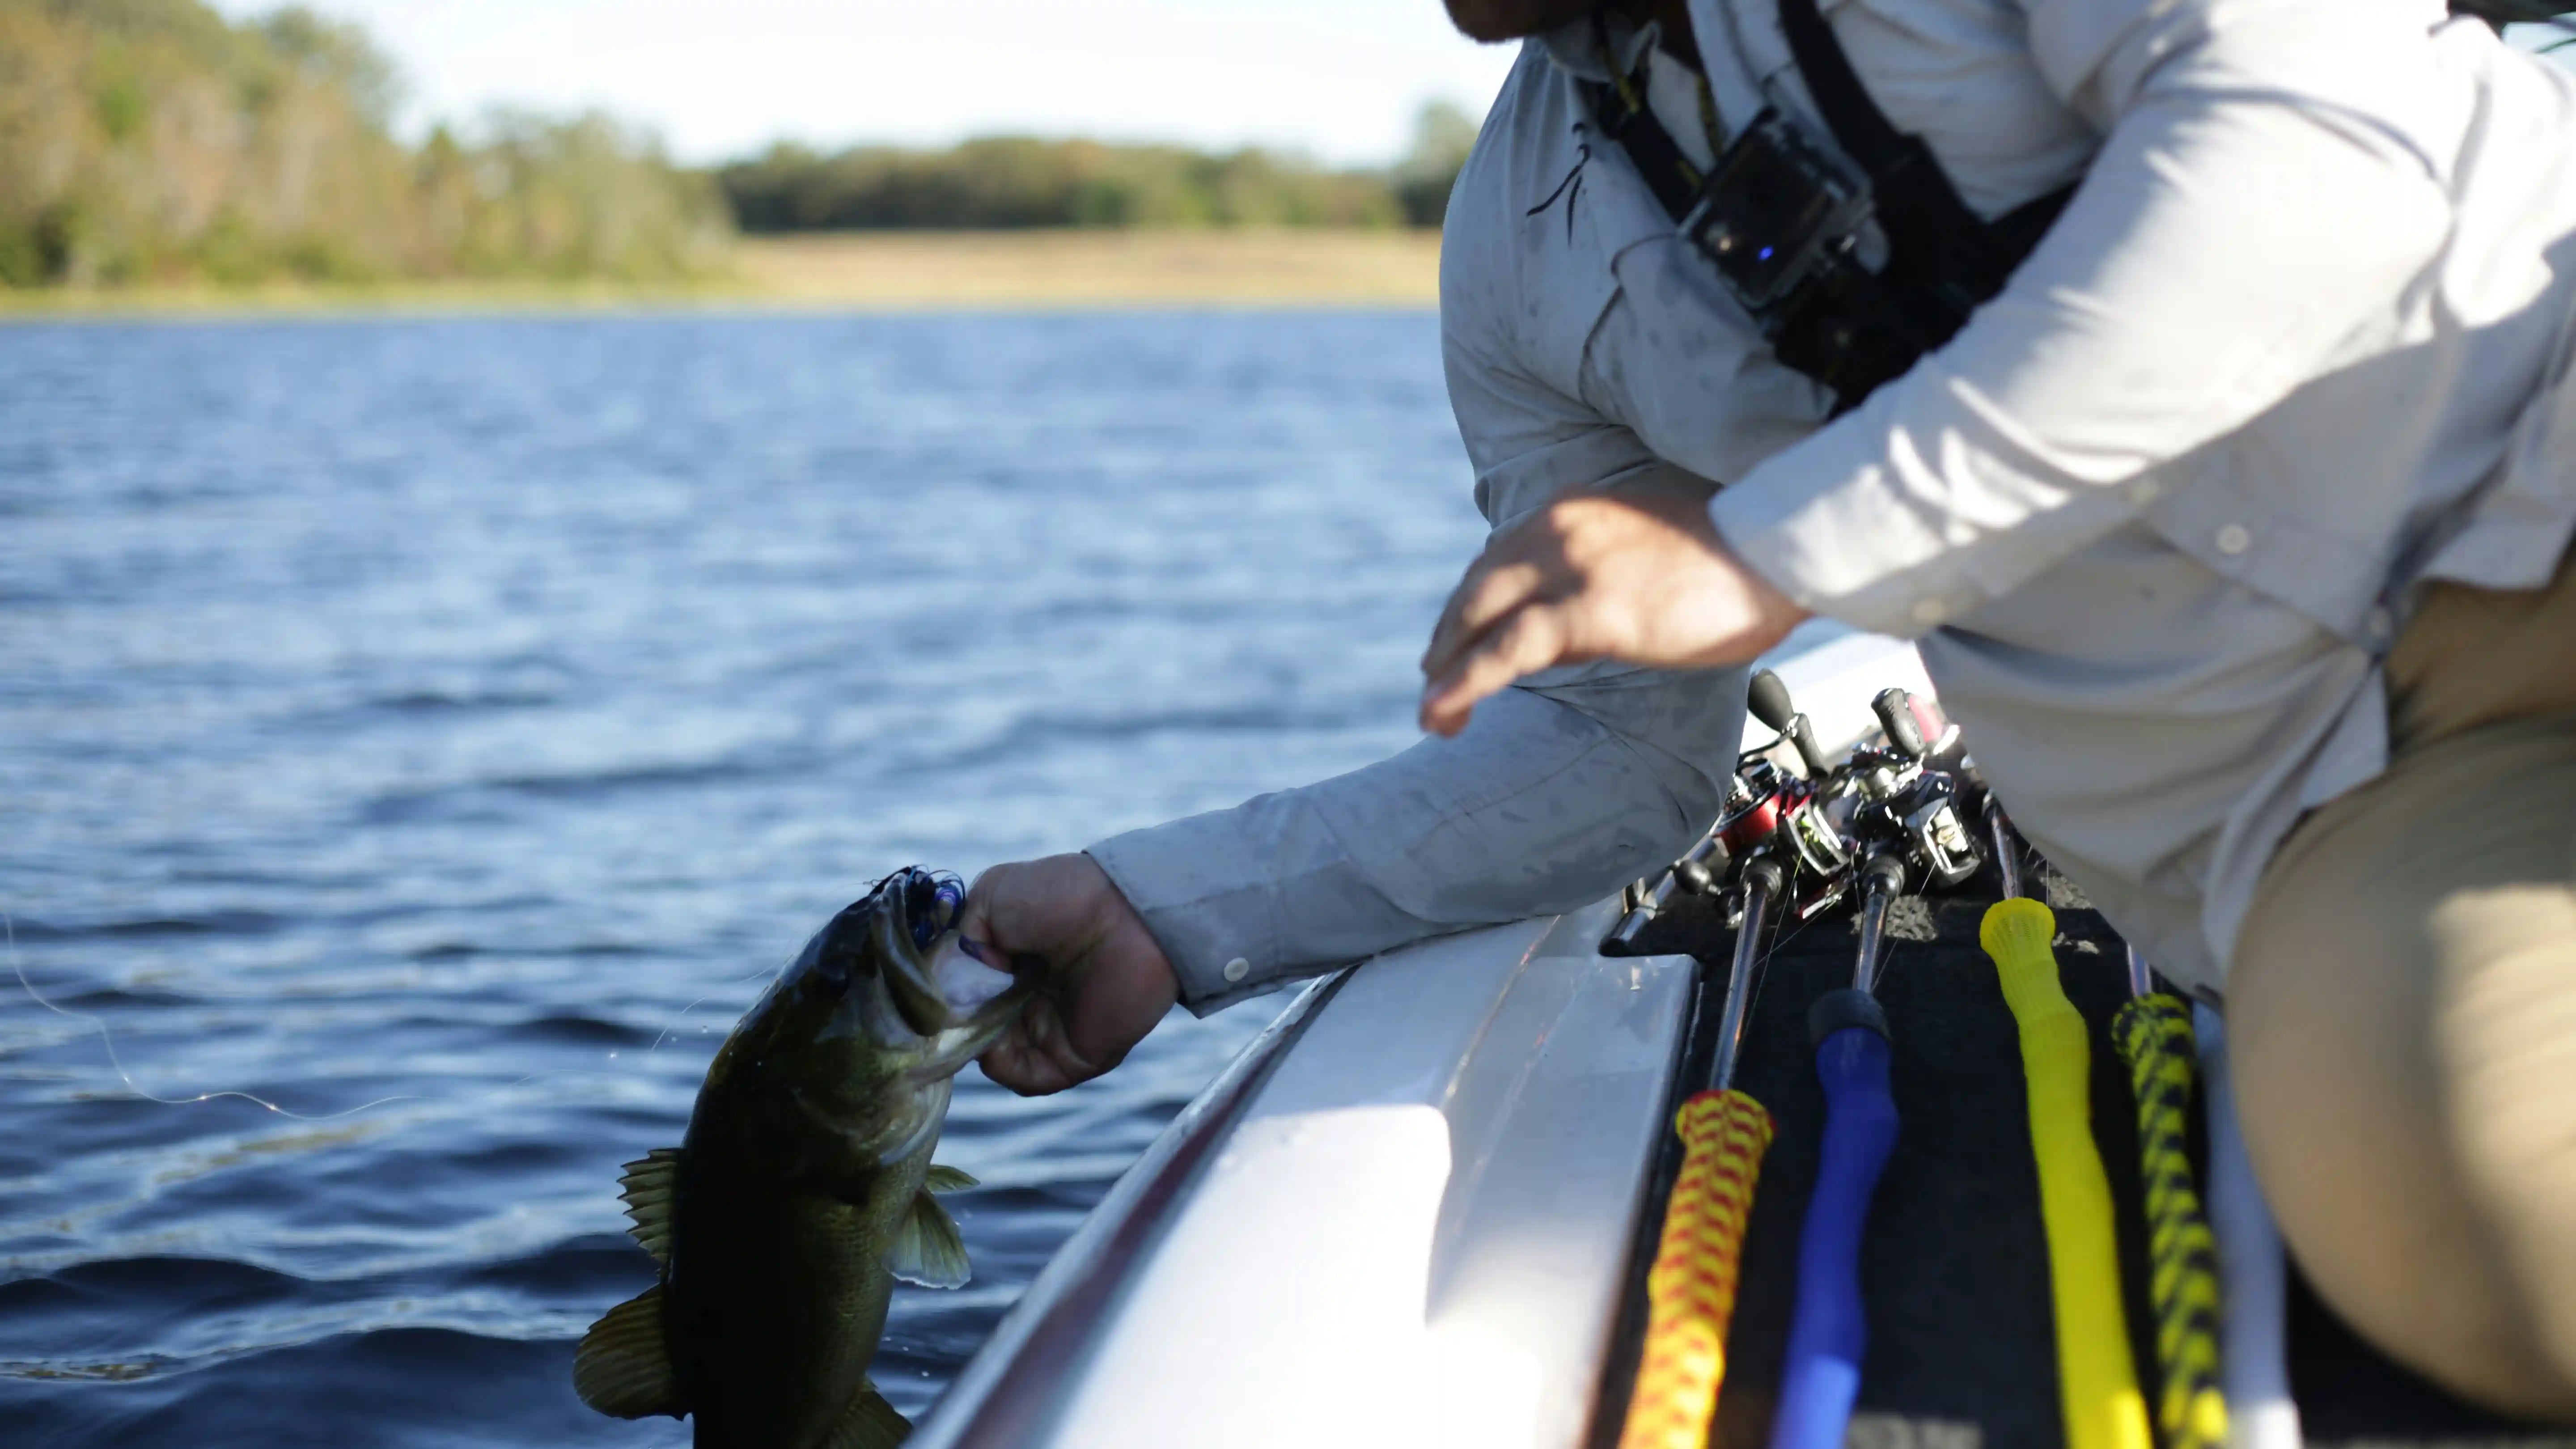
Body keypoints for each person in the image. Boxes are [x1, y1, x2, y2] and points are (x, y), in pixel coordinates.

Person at [964, 0, 2576, 1419]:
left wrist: (1772, 544)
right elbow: (1611, 755)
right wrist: (1162, 908)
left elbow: (2313, 172)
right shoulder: (1517, 261)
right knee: (2503, 1223)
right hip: (2340, 821)